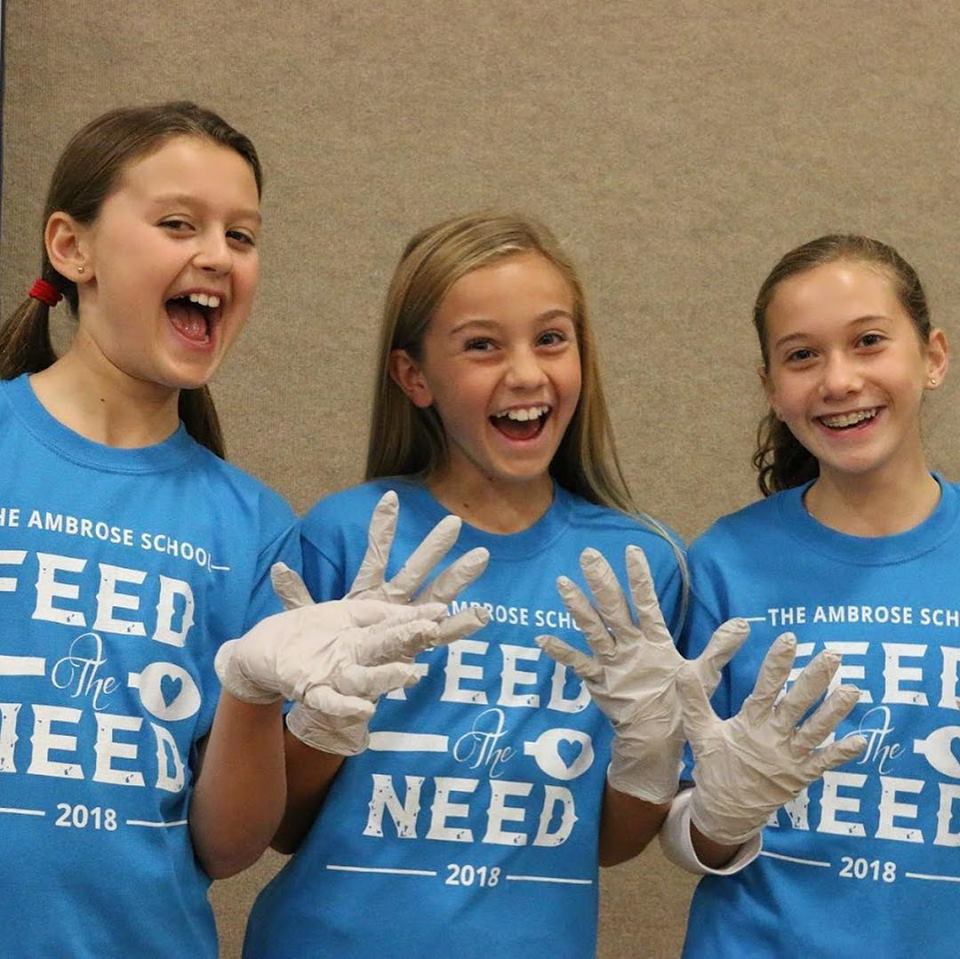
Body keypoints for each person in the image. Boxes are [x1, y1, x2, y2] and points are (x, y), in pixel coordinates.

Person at [0, 102, 476, 958]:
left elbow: (226, 847)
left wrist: (260, 695)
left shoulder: (253, 525)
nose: (218, 255)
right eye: (178, 223)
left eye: (242, 235)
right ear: (71, 248)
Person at [243, 211, 704, 958]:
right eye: (482, 345)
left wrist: (650, 753)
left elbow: (610, 844)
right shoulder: (350, 535)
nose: (526, 373)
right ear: (414, 376)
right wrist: (322, 726)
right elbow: (279, 827)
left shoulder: (641, 568)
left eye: (551, 338)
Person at [677, 234, 955, 958]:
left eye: (868, 341)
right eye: (802, 355)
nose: (838, 380)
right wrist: (719, 813)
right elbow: (680, 830)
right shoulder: (723, 563)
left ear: (932, 357)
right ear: (771, 387)